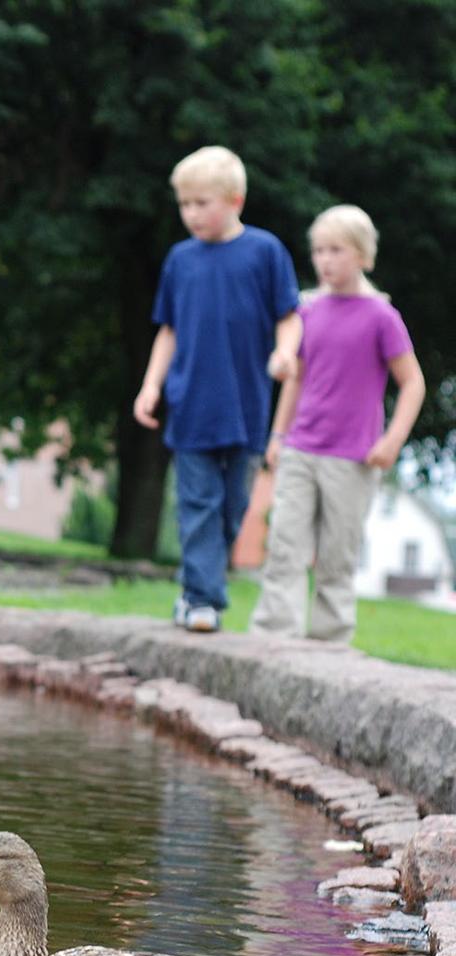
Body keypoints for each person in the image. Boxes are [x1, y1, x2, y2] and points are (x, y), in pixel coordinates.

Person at [135, 146, 301, 633]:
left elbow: (289, 317)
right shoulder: (179, 260)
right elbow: (167, 330)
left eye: (201, 203)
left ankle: (193, 589)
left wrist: (286, 353)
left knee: (232, 509)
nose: (191, 214)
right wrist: (151, 386)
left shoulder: (266, 252)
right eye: (184, 205)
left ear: (236, 200)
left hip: (247, 408)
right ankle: (205, 601)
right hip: (191, 406)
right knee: (198, 504)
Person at [249, 205, 426, 643]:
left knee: (336, 555)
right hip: (300, 448)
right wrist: (277, 435)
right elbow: (296, 380)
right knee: (285, 547)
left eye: (336, 250)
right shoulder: (306, 312)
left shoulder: (382, 317)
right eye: (318, 251)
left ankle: (329, 645)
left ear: (363, 256)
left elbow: (413, 383)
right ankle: (275, 636)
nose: (325, 260)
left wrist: (392, 440)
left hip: (353, 457)